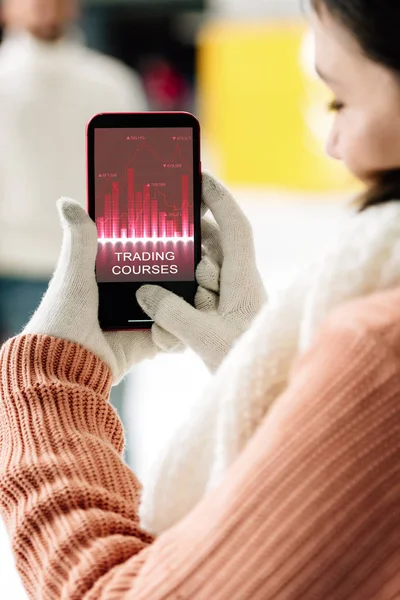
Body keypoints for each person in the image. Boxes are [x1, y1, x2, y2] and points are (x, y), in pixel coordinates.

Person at [0, 0, 399, 598]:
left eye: (340, 99)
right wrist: (257, 366)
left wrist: (46, 385)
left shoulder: (380, 348)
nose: (334, 145)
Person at [0, 0, 147, 459]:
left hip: (92, 274)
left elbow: (140, 186)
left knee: (98, 421)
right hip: (10, 267)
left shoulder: (111, 83)